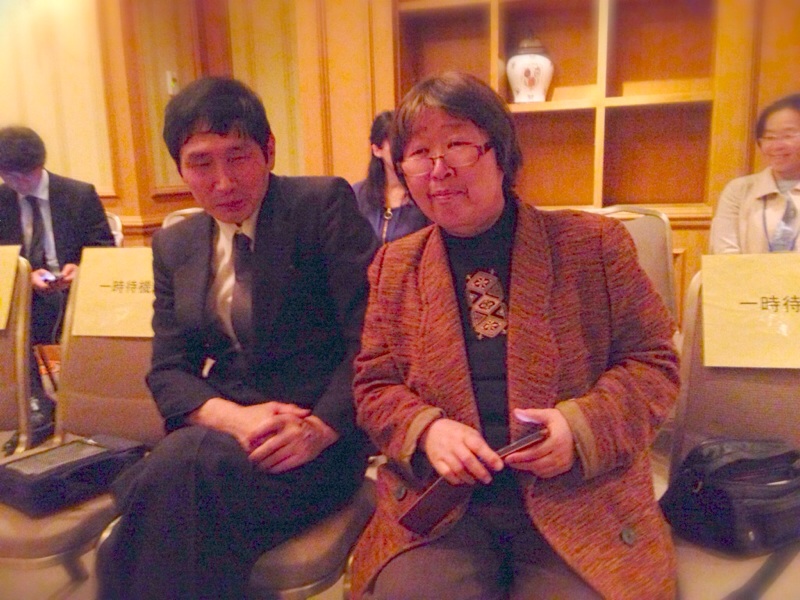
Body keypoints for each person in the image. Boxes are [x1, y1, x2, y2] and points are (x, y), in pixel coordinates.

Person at [350, 72, 680, 600]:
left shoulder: (592, 245)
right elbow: (373, 385)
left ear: (500, 154)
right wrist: (427, 430)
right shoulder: (395, 265)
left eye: (458, 144)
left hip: (578, 497)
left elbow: (654, 364)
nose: (439, 168)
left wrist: (580, 428)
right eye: (419, 153)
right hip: (447, 508)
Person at [95, 77, 378, 599]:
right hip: (223, 438)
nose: (223, 182)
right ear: (180, 169)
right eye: (201, 163)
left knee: (151, 511)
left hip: (312, 443)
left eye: (238, 156)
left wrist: (320, 427)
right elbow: (169, 369)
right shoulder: (175, 244)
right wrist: (234, 419)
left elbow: (371, 339)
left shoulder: (319, 207)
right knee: (184, 488)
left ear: (269, 150)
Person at [0, 126, 114, 441]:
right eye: (9, 177)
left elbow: (105, 249)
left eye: (25, 176)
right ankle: (34, 401)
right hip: (26, 296)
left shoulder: (78, 195)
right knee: (8, 320)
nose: (18, 184)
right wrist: (25, 275)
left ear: (40, 165)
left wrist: (82, 268)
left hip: (76, 292)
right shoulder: (1, 201)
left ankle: (96, 401)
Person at [710, 93, 800, 253]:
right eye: (770, 137)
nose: (777, 145)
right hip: (742, 271)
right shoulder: (739, 191)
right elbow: (725, 253)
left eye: (788, 135)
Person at [352, 110, 429, 243]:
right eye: (395, 144)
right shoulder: (358, 194)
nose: (402, 151)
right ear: (377, 150)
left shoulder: (423, 191)